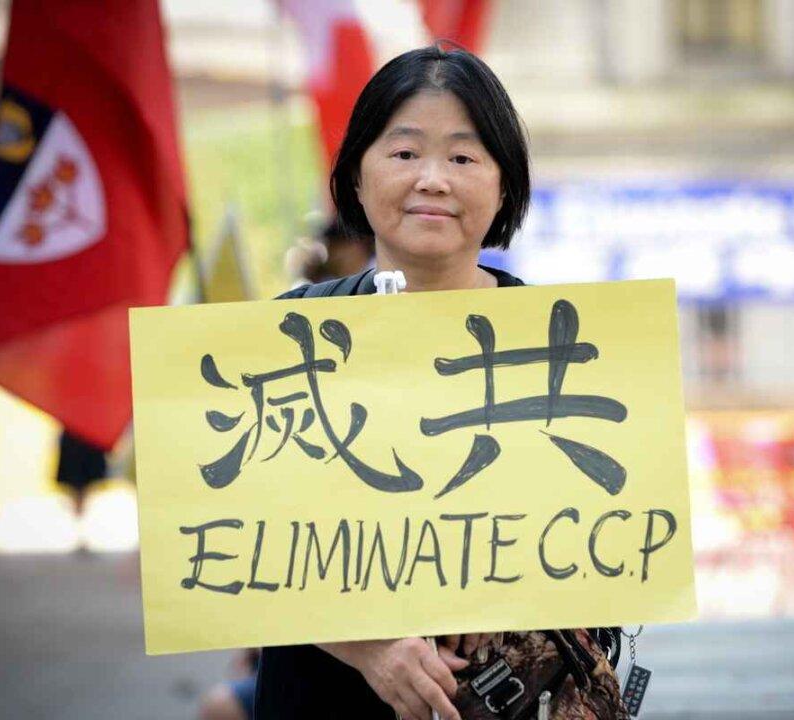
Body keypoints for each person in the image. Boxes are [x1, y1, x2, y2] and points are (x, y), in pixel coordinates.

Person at [255, 45, 619, 720]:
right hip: (326, 693)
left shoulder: (564, 343)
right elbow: (242, 545)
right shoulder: (288, 335)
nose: (432, 179)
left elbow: (609, 542)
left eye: (462, 157)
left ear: (504, 183)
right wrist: (369, 647)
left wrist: (506, 587)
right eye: (404, 154)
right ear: (356, 177)